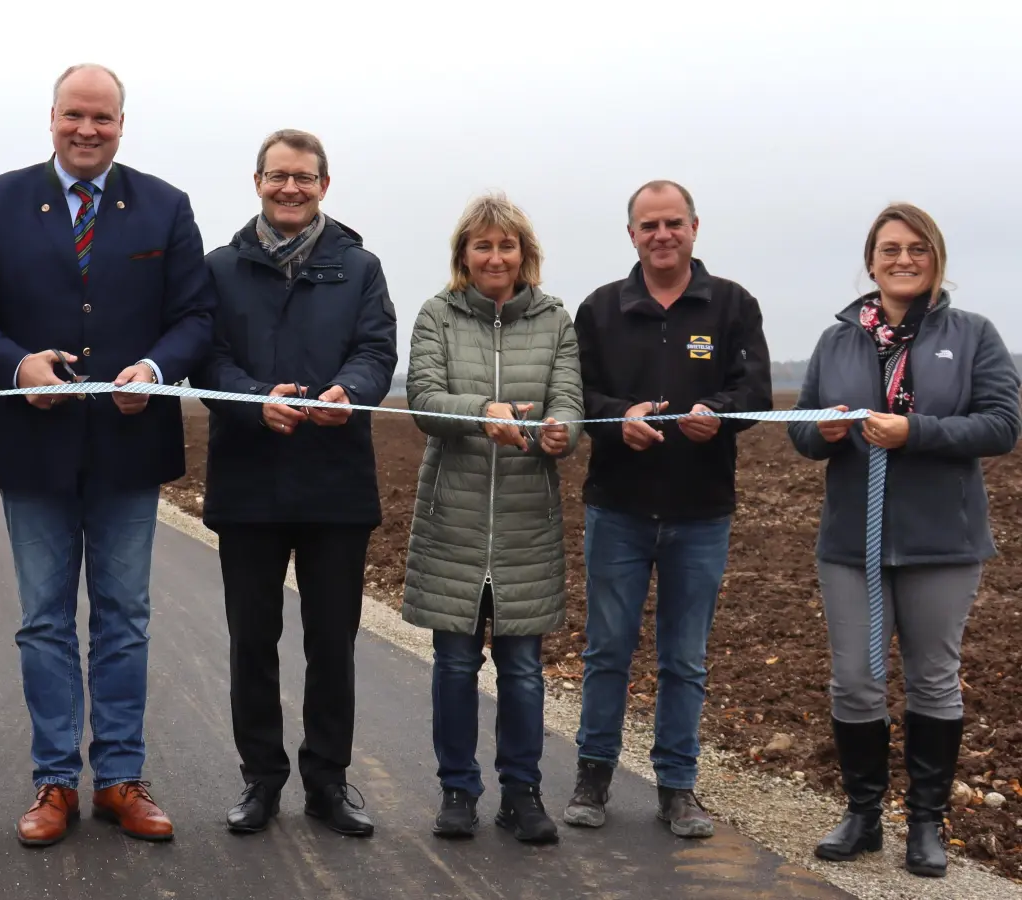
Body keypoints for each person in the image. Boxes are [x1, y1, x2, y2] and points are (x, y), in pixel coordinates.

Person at [0, 62, 214, 846]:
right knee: (44, 620)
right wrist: (16, 364)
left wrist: (157, 372)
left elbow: (195, 315)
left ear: (122, 124)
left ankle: (121, 778)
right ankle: (55, 781)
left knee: (125, 616)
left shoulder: (165, 206)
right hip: (33, 448)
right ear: (51, 117)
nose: (87, 130)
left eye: (102, 118)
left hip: (130, 445)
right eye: (74, 116)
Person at [788, 203, 1020, 878]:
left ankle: (925, 823)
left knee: (933, 679)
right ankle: (862, 815)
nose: (903, 259)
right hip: (850, 542)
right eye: (890, 249)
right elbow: (803, 430)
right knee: (856, 681)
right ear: (871, 261)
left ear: (937, 257)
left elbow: (1002, 425)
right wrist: (822, 430)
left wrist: (914, 433)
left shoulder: (972, 334)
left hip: (942, 541)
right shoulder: (837, 341)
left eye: (917, 248)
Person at [193, 129, 398, 837]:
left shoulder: (360, 266)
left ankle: (328, 782)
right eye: (278, 177)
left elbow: (377, 349)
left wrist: (349, 389)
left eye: (304, 178)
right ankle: (261, 780)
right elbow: (206, 359)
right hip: (249, 482)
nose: (290, 189)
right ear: (256, 183)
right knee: (252, 639)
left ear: (323, 187)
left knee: (331, 641)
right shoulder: (219, 268)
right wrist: (254, 397)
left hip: (335, 483)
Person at [565, 180, 772, 838]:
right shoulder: (599, 310)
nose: (662, 235)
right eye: (648, 225)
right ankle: (593, 776)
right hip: (618, 507)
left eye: (672, 223)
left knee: (684, 658)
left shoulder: (733, 305)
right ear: (631, 234)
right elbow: (577, 393)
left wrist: (722, 415)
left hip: (700, 511)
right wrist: (614, 418)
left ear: (694, 227)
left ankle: (677, 787)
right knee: (607, 652)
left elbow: (757, 388)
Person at [401, 194, 582, 843]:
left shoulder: (556, 319)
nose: (496, 256)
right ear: (464, 256)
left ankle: (522, 792)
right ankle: (458, 789)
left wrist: (560, 434)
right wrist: (485, 410)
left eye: (507, 246)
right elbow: (423, 398)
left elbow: (568, 401)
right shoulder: (436, 316)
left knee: (523, 671)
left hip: (525, 526)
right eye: (483, 246)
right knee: (453, 666)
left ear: (524, 255)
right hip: (453, 519)